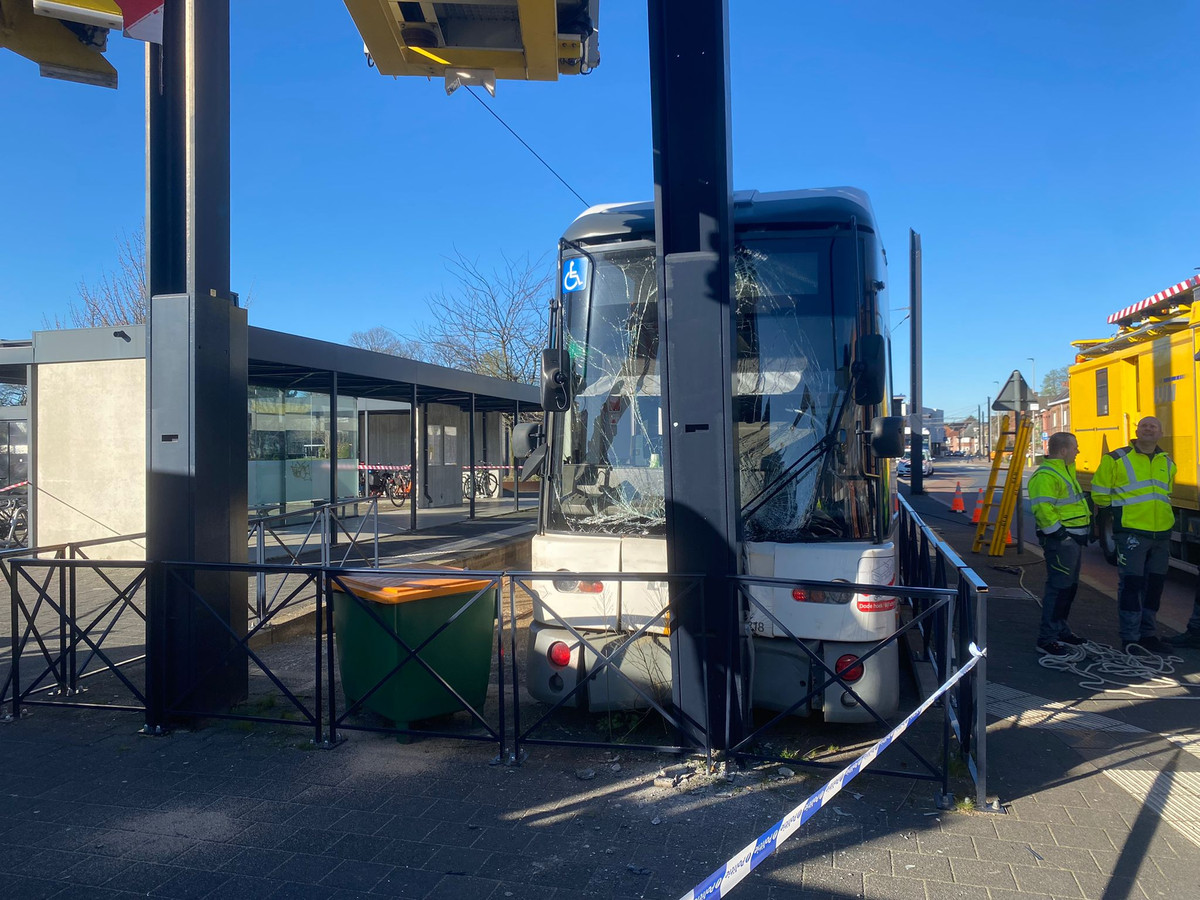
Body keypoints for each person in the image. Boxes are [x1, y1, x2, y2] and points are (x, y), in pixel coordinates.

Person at [1091, 416, 1176, 655]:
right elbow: (1100, 493)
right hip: (1131, 533)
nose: (1149, 429)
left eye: (1154, 426)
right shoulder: (1116, 458)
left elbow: (1165, 495)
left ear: (1160, 433)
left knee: (1155, 586)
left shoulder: (1167, 462)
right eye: (1145, 425)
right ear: (1136, 431)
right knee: (1131, 584)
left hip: (1161, 534)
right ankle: (1130, 638)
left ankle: (1148, 635)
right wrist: (1118, 519)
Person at [1028, 432, 1091, 655]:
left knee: (1068, 588)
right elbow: (1043, 510)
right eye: (1075, 448)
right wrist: (1061, 535)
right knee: (1059, 588)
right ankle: (1047, 639)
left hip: (1070, 539)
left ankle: (1060, 630)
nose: (1078, 451)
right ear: (1063, 450)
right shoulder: (1047, 475)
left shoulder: (1063, 471)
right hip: (1062, 542)